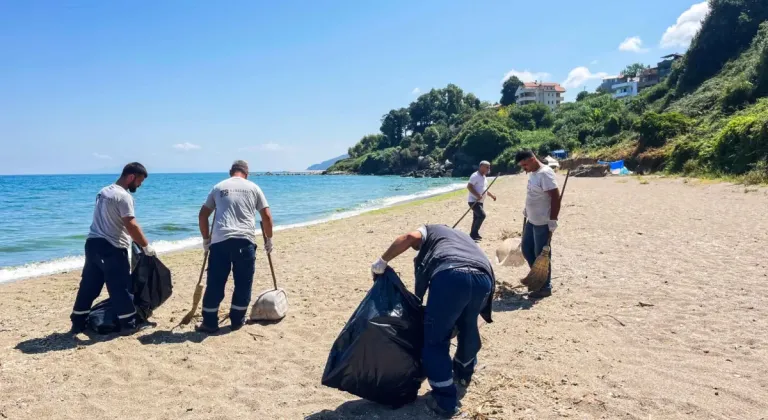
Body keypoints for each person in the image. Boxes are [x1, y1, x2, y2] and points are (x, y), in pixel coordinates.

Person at [371, 224, 495, 418]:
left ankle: (445, 401)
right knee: (468, 326)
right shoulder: (460, 236)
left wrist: (382, 261)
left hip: (452, 276)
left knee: (435, 340)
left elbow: (409, 237)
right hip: (483, 277)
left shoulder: (428, 229)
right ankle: (463, 373)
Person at [70, 162, 155, 335]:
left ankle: (77, 323)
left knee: (89, 285)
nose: (139, 185)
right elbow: (131, 224)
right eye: (139, 181)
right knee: (120, 287)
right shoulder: (123, 196)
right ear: (131, 177)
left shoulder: (103, 192)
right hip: (113, 247)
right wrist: (146, 246)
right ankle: (129, 325)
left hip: (92, 244)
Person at [196, 160, 274, 333]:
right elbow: (267, 217)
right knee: (243, 283)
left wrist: (206, 239)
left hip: (220, 242)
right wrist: (269, 240)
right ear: (247, 173)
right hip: (244, 242)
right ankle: (237, 320)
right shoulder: (254, 187)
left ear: (231, 171)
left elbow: (203, 215)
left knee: (215, 283)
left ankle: (209, 323)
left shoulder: (218, 187)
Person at [515, 150, 561, 299]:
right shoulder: (533, 173)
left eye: (525, 165)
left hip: (542, 222)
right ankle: (537, 278)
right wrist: (527, 209)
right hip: (531, 220)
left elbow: (555, 197)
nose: (524, 169)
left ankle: (544, 287)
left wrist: (553, 219)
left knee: (541, 255)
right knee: (527, 249)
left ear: (533, 159)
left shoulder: (545, 173)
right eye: (522, 166)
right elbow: (533, 193)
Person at [466, 161, 496, 241]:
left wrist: (492, 196)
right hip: (473, 201)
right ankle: (474, 233)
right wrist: (477, 195)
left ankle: (473, 234)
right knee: (482, 215)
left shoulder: (484, 177)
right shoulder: (475, 176)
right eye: (487, 167)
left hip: (480, 201)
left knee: (476, 218)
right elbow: (469, 187)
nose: (488, 169)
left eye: (489, 167)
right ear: (481, 166)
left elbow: (485, 189)